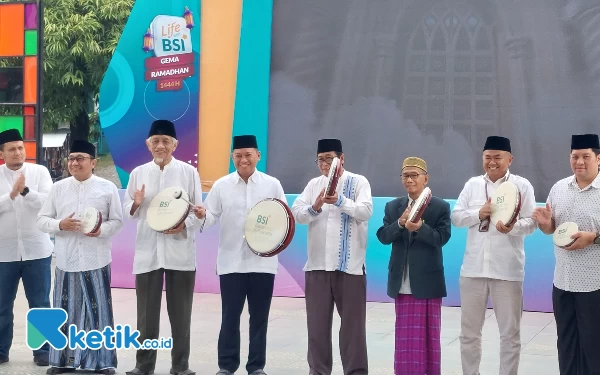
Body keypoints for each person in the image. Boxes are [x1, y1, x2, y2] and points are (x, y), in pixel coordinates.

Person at [197, 135, 286, 375]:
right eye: (238, 155)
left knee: (259, 318)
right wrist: (201, 214)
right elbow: (212, 216)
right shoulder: (221, 185)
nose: (243, 159)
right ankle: (226, 366)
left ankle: (256, 366)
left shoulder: (272, 184)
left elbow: (282, 218)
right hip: (231, 262)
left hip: (263, 262)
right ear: (232, 158)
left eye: (248, 154)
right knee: (229, 317)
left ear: (258, 155)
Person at [451, 136, 537, 375]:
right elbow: (456, 217)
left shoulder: (522, 186)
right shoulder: (472, 185)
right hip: (473, 270)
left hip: (507, 271)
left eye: (497, 157)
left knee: (510, 335)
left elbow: (532, 223)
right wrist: (480, 212)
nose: (492, 162)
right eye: (487, 157)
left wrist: (513, 227)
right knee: (469, 333)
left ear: (509, 159)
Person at [123, 120, 203, 375]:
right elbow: (128, 212)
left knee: (181, 315)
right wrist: (136, 203)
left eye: (165, 141)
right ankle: (143, 365)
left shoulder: (189, 173)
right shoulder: (138, 173)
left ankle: (181, 366)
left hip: (180, 252)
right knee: (146, 316)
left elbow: (198, 211)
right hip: (148, 252)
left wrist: (183, 226)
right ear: (148, 145)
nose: (160, 146)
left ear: (175, 145)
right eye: (155, 141)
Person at [37, 140, 123, 374]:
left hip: (96, 258)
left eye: (80, 158)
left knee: (99, 312)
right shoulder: (58, 188)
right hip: (66, 259)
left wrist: (100, 230)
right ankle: (62, 361)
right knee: (65, 311)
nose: (74, 162)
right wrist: (60, 224)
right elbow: (42, 220)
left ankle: (103, 362)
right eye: (71, 158)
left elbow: (117, 221)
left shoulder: (107, 187)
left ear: (93, 163)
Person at [291, 138, 372, 375]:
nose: (324, 164)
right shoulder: (313, 185)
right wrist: (315, 207)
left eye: (329, 159)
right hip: (317, 267)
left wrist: (340, 200)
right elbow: (298, 213)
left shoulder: (358, 182)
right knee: (316, 328)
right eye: (321, 159)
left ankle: (355, 372)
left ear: (341, 159)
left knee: (353, 329)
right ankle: (318, 371)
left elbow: (366, 211)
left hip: (350, 269)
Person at [376, 157, 451, 375]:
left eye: (414, 175)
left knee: (429, 338)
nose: (409, 180)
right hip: (401, 281)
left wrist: (420, 227)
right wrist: (400, 223)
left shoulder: (439, 206)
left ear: (425, 179)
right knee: (405, 339)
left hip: (427, 281)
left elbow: (441, 238)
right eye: (405, 176)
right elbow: (383, 236)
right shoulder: (393, 207)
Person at [532, 133, 600, 375]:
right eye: (574, 157)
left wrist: (593, 238)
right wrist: (545, 224)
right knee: (566, 343)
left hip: (595, 285)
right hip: (562, 281)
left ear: (598, 158)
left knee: (594, 347)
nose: (579, 162)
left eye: (585, 157)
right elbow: (554, 228)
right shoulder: (559, 188)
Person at [0, 129, 54, 367]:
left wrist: (25, 192)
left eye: (20, 147)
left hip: (37, 251)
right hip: (4, 253)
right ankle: (1, 350)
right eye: (11, 149)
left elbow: (49, 203)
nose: (17, 152)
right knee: (2, 305)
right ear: (2, 153)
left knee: (40, 303)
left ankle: (43, 351)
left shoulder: (39, 172)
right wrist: (9, 196)